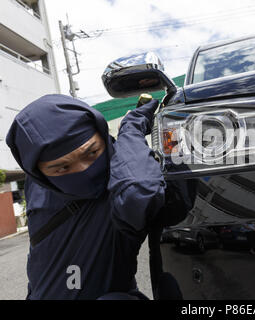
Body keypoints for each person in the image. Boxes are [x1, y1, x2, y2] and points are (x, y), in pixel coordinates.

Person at [6, 94, 175, 300]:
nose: (84, 170)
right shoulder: (38, 185)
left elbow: (140, 192)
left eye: (91, 153)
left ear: (103, 136)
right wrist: (131, 128)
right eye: (62, 167)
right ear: (37, 173)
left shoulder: (119, 189)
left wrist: (130, 132)